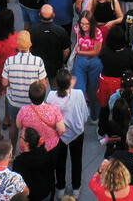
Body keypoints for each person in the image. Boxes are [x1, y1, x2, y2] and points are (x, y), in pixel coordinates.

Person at [47, 68, 88, 198]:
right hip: (77, 133)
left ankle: (60, 188)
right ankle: (76, 188)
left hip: (59, 134)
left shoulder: (51, 96)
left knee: (60, 161)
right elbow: (85, 113)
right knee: (77, 160)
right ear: (69, 82)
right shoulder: (79, 94)